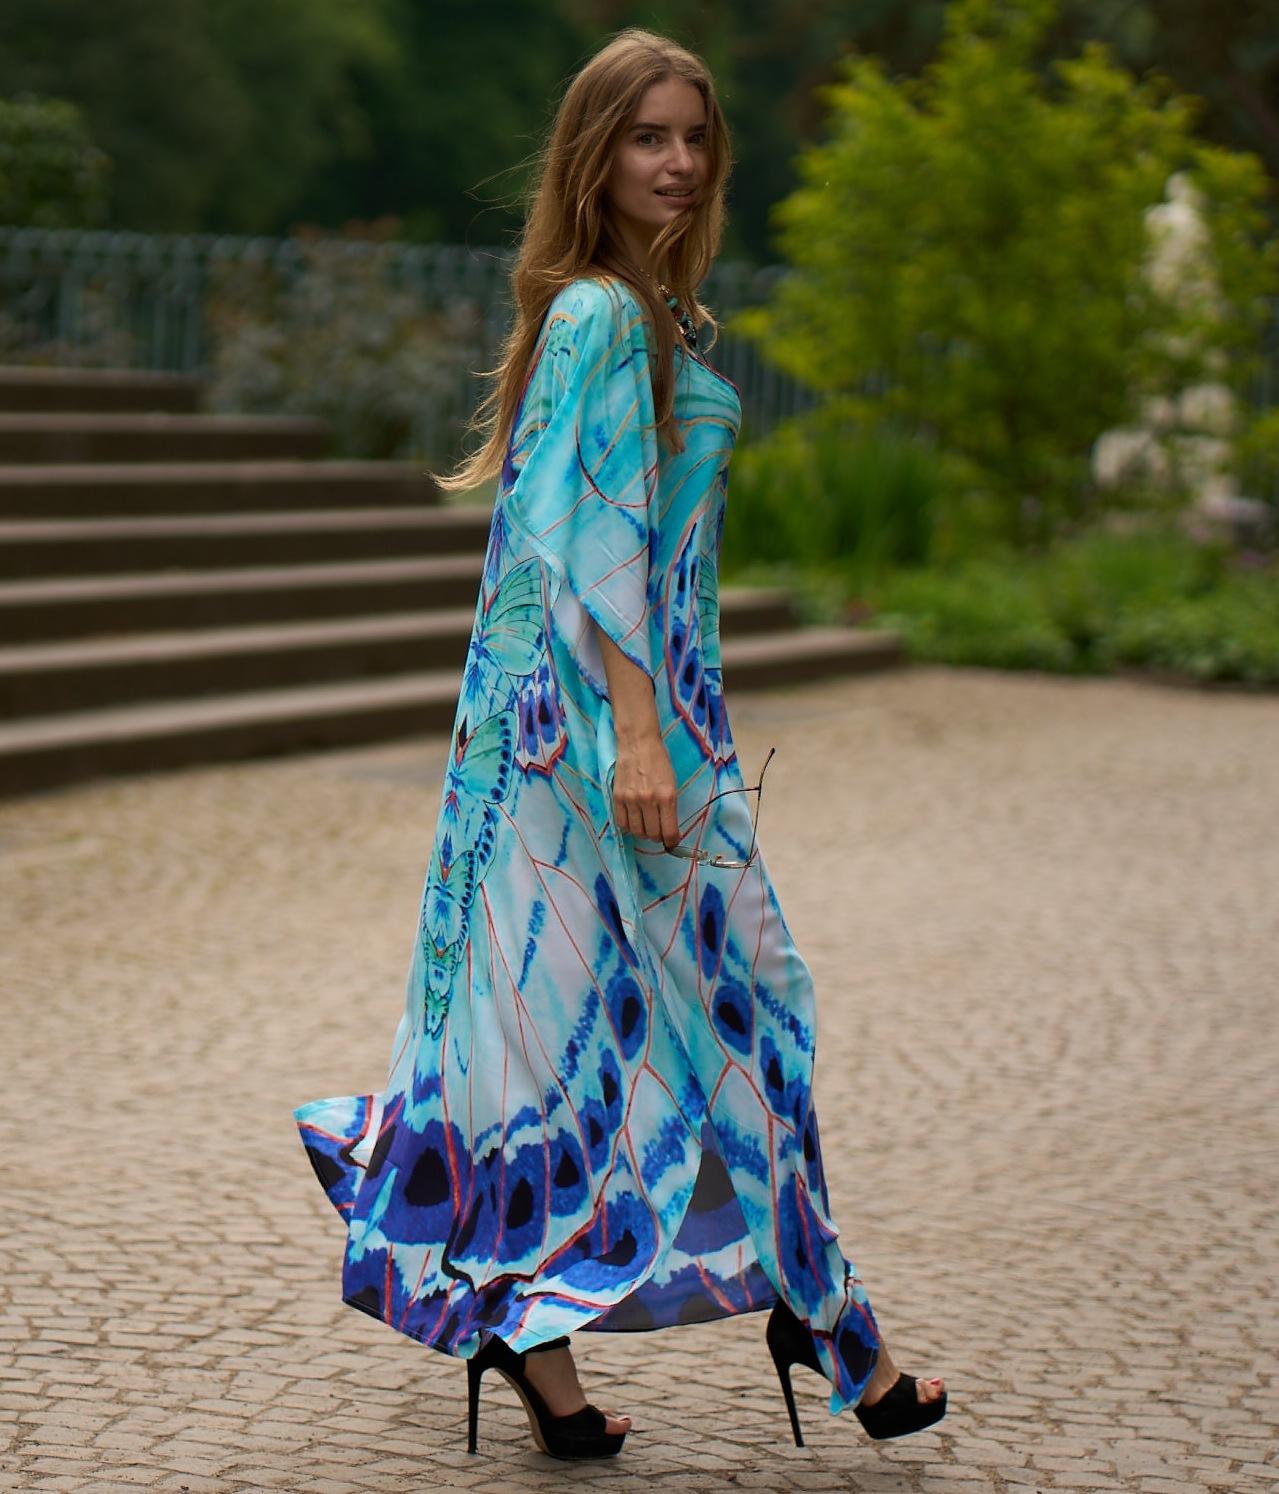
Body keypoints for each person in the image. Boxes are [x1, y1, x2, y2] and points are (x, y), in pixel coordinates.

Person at [293, 26, 947, 1463]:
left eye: (695, 137)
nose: (680, 161)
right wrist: (642, 741)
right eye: (650, 136)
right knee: (714, 1010)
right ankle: (823, 1319)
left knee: (643, 1021)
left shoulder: (651, 318)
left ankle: (597, 1334)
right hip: (594, 739)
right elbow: (595, 541)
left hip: (610, 723)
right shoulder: (599, 314)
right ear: (595, 156)